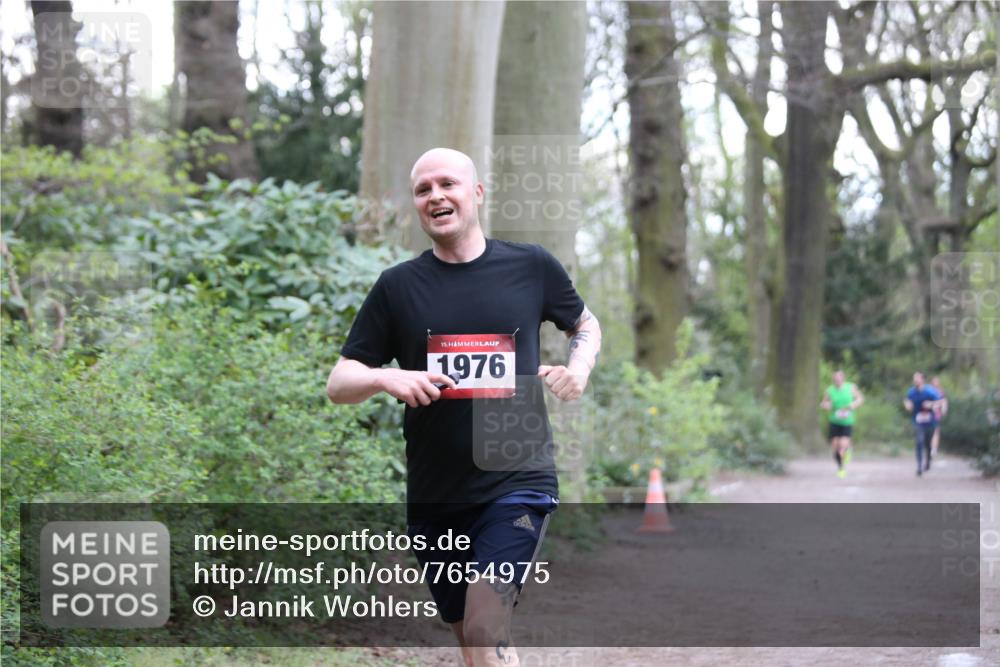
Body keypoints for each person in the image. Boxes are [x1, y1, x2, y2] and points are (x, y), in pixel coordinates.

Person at [326, 148, 602, 667]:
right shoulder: (398, 287)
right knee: (473, 639)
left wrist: (579, 368)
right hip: (436, 493)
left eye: (447, 184)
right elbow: (340, 382)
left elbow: (584, 324)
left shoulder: (530, 267)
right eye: (423, 189)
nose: (436, 196)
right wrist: (387, 376)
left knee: (483, 624)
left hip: (515, 479)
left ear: (476, 193)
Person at [820, 370, 864, 478]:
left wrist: (853, 405)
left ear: (843, 378)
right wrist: (826, 405)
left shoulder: (850, 387)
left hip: (847, 421)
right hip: (834, 420)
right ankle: (840, 467)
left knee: (842, 445)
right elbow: (824, 402)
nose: (837, 381)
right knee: (835, 445)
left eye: (839, 379)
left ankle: (846, 452)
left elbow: (860, 399)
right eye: (835, 379)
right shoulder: (830, 390)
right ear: (833, 380)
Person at [904, 372, 942, 476]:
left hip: (930, 421)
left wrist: (931, 404)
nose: (915, 380)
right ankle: (919, 466)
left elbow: (940, 402)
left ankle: (928, 460)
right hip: (918, 421)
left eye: (917, 378)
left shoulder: (930, 391)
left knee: (927, 443)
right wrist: (908, 405)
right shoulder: (911, 392)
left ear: (922, 380)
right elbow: (907, 400)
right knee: (919, 442)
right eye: (914, 378)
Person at [930, 376, 949, 456]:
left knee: (935, 431)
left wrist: (944, 409)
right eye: (934, 381)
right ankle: (928, 446)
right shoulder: (928, 390)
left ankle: (934, 448)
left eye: (937, 381)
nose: (936, 383)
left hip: (936, 414)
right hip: (927, 413)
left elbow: (944, 401)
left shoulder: (940, 391)